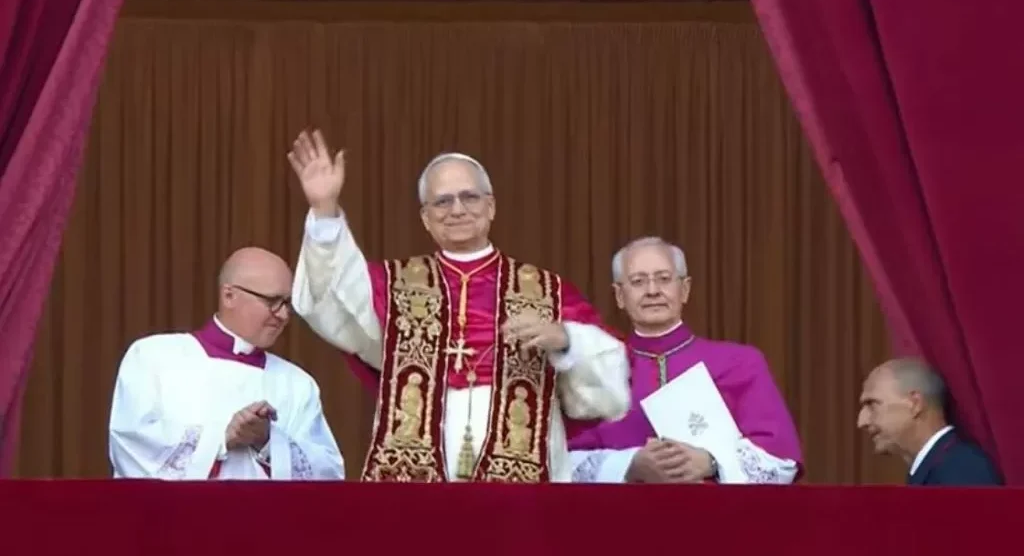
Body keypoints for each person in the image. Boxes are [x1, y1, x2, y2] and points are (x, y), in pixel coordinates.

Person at [288, 129, 630, 483]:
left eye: (469, 197)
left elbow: (609, 388)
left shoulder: (547, 291)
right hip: (416, 470)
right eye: (442, 201)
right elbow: (332, 303)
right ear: (425, 217)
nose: (457, 210)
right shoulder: (393, 286)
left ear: (491, 206)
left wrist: (566, 339)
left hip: (525, 473)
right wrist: (324, 209)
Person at [568, 237, 802, 484]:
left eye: (664, 278)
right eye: (638, 281)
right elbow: (560, 464)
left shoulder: (741, 363)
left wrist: (711, 462)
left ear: (685, 289)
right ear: (619, 296)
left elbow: (780, 459)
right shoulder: (595, 372)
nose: (652, 291)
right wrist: (629, 464)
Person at [108, 247, 345, 480]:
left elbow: (328, 474)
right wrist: (221, 437)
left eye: (287, 304)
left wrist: (268, 441)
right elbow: (131, 444)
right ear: (229, 295)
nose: (283, 315)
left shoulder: (298, 384)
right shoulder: (153, 357)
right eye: (273, 301)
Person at [857, 357, 1002, 486]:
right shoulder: (940, 466)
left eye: (872, 404)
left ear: (915, 404)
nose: (861, 421)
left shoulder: (963, 471)